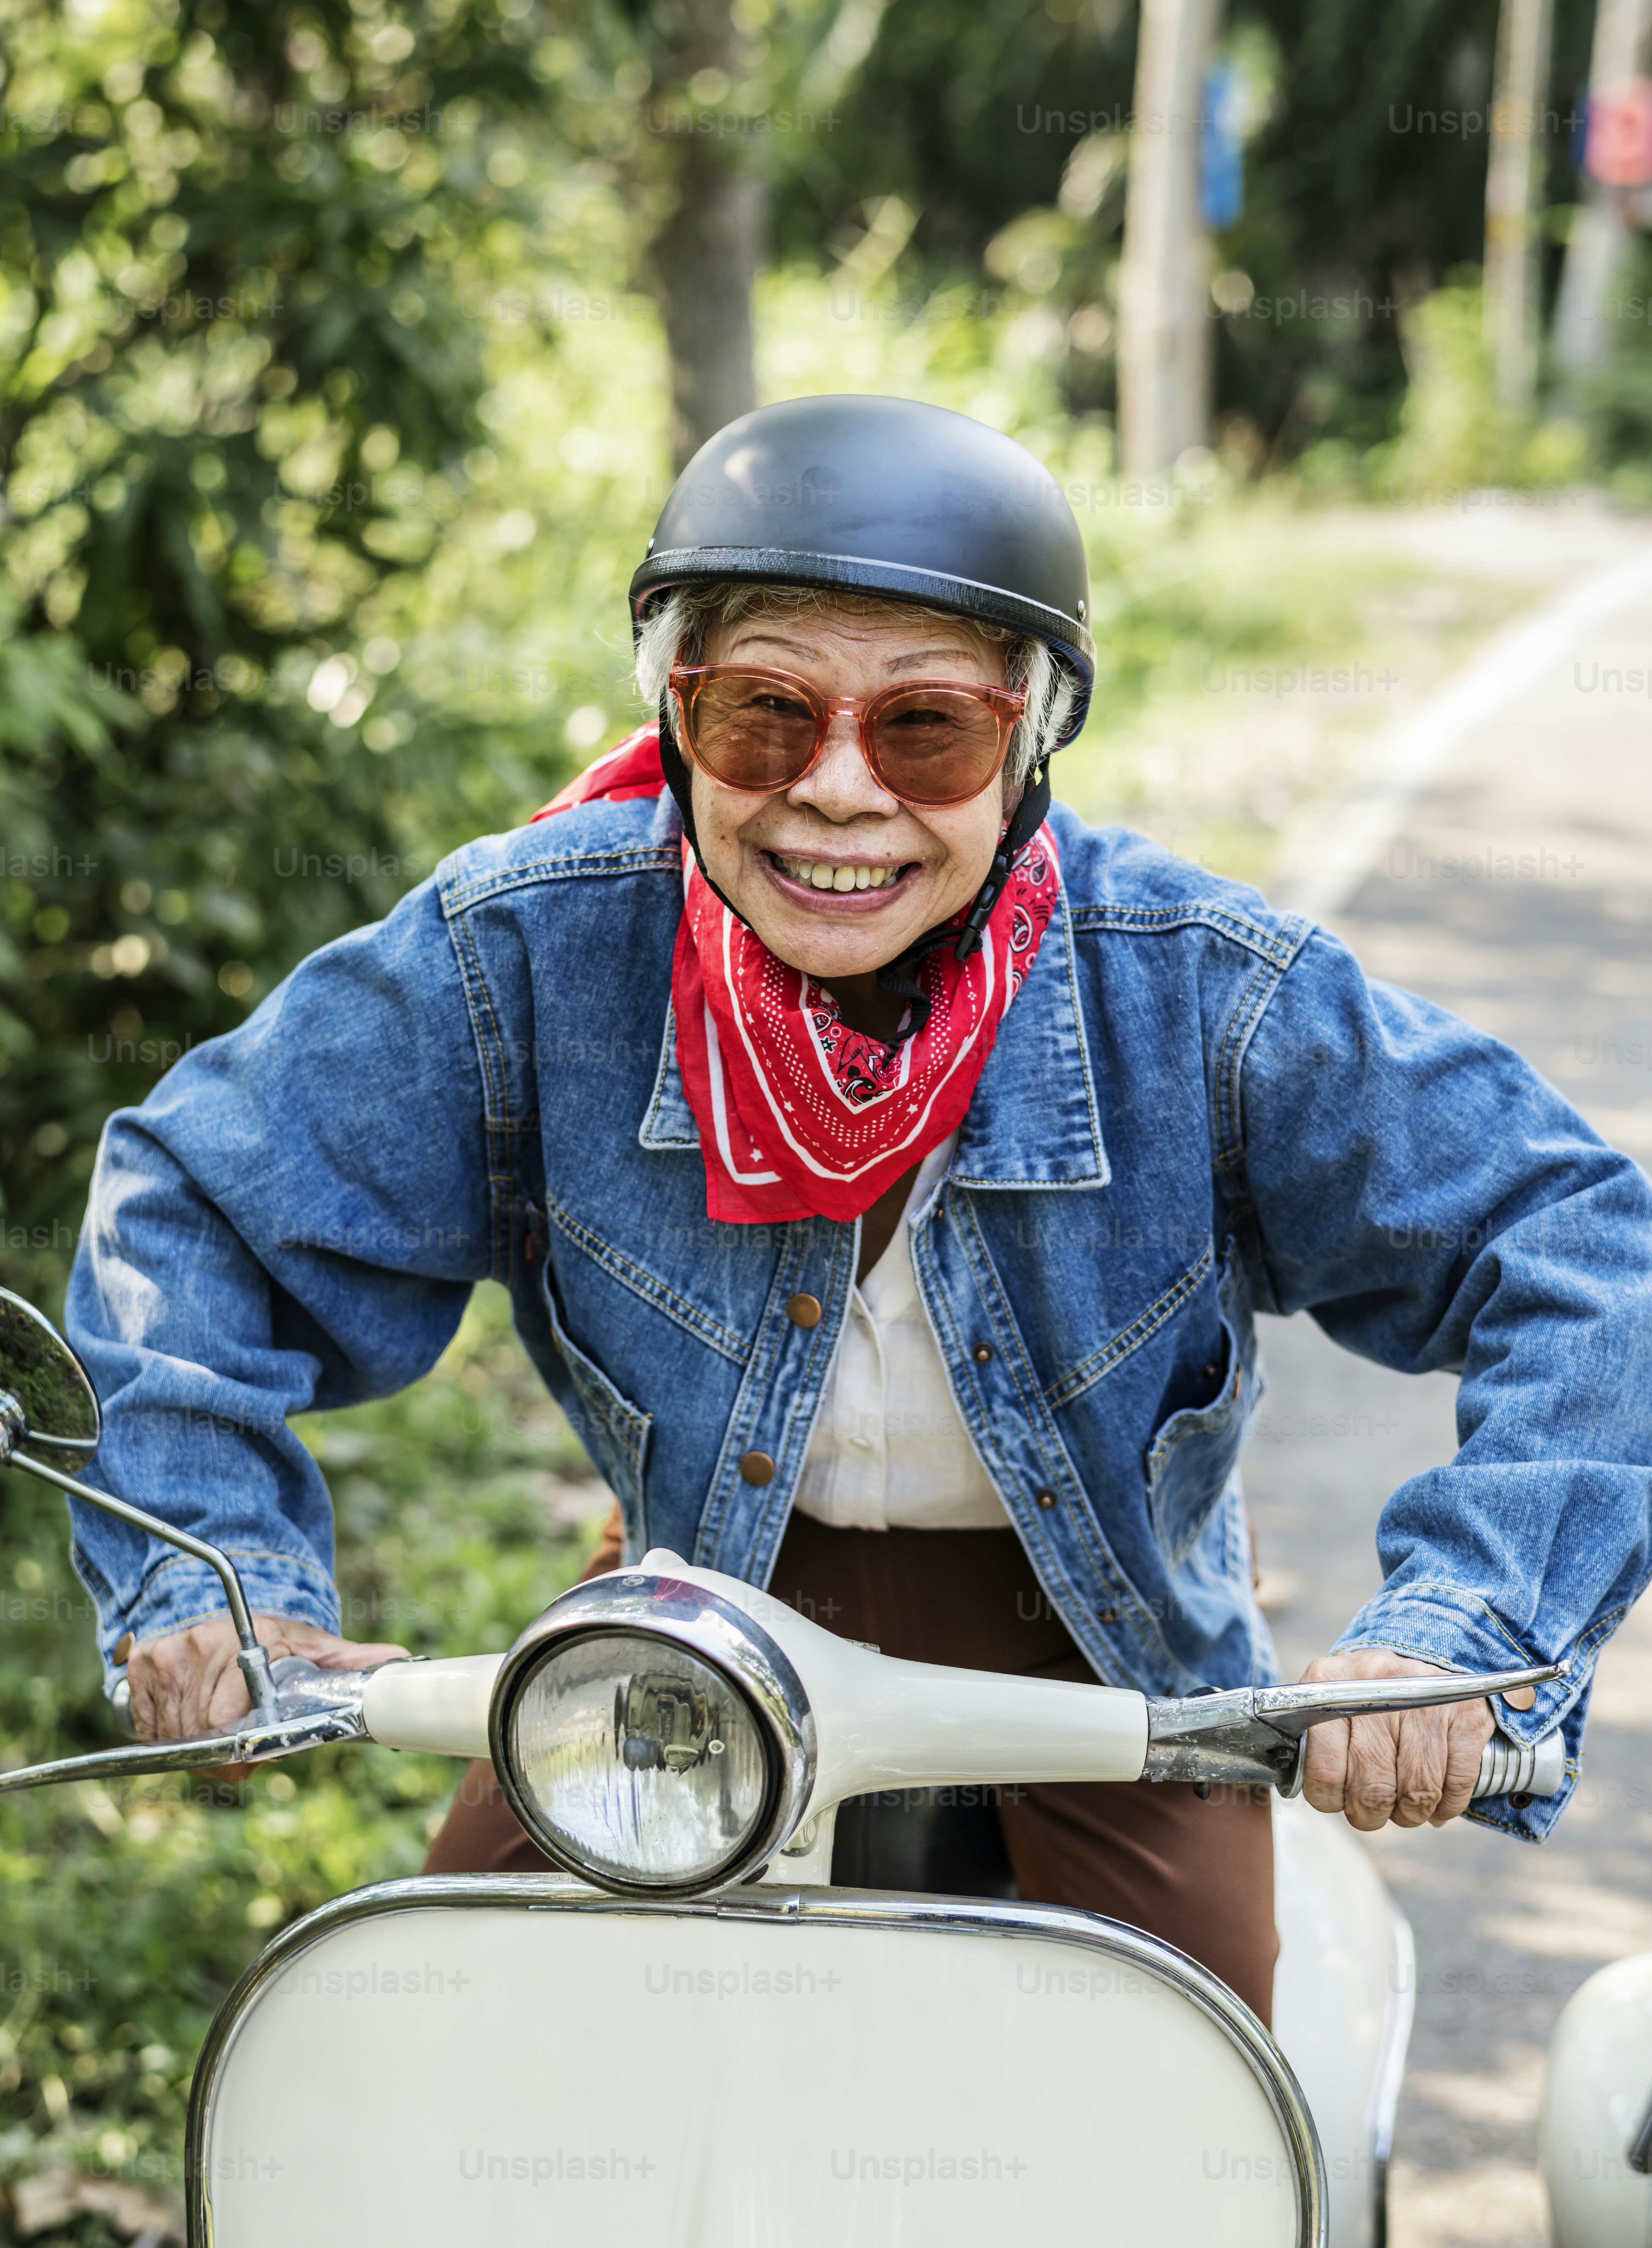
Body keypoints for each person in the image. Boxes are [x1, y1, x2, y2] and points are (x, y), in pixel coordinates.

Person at [64, 395, 1652, 2027]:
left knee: (1188, 2113)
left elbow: (1592, 1253)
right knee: (454, 2033)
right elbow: (193, 1205)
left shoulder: (1201, 994)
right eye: (763, 714)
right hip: (695, 1622)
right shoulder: (526, 953)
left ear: (1032, 741)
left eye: (926, 730)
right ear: (677, 710)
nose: (834, 791)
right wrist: (214, 1575)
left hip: (1110, 1661)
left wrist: (1457, 1623)